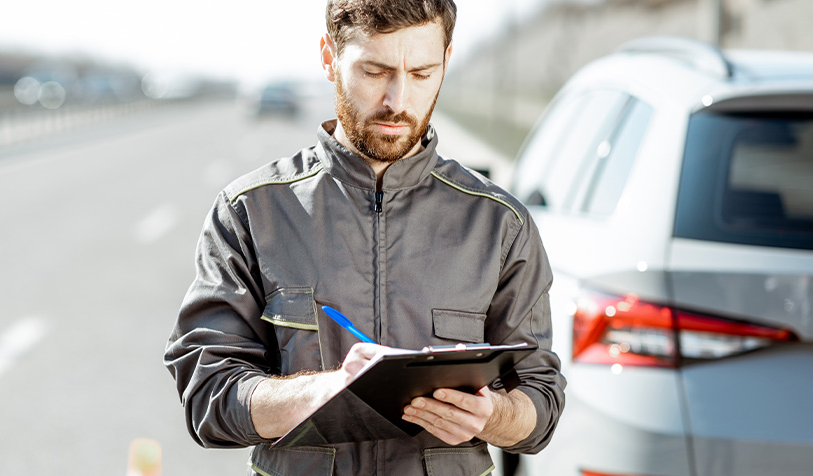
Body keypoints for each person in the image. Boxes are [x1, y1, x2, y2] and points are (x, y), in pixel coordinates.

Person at [164, 1, 566, 474]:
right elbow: (208, 398)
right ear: (328, 56)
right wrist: (323, 391)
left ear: (446, 61)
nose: (398, 100)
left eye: (421, 73)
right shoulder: (250, 212)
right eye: (375, 71)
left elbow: (540, 405)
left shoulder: (500, 224)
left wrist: (493, 415)